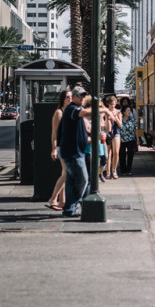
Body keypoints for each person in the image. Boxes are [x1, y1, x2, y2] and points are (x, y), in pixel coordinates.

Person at [60, 86, 115, 217]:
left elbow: (87, 117)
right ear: (74, 97)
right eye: (80, 96)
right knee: (83, 179)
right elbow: (84, 113)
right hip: (73, 152)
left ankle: (70, 208)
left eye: (84, 96)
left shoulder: (76, 110)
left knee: (72, 180)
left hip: (76, 151)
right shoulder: (72, 109)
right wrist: (105, 110)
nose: (83, 98)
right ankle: (77, 203)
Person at [46, 89, 72, 210]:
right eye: (67, 97)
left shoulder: (69, 111)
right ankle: (53, 199)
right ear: (62, 98)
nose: (70, 99)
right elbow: (54, 133)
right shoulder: (59, 112)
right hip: (61, 146)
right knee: (66, 173)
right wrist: (54, 148)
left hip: (68, 145)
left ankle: (62, 201)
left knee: (64, 173)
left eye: (71, 97)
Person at [103, 95, 122, 179]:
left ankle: (114, 170)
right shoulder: (105, 112)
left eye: (114, 104)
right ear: (108, 104)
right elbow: (104, 126)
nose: (112, 106)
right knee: (108, 153)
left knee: (116, 152)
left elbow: (120, 125)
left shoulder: (118, 112)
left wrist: (115, 117)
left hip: (116, 132)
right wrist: (108, 117)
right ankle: (108, 171)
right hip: (107, 133)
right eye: (111, 104)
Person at [119, 105, 138, 175]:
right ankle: (123, 170)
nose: (129, 112)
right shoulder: (119, 119)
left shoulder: (132, 119)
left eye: (130, 110)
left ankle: (129, 169)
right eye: (128, 110)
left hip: (131, 139)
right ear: (124, 112)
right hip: (121, 139)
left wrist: (137, 138)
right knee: (122, 154)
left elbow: (135, 128)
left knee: (130, 153)